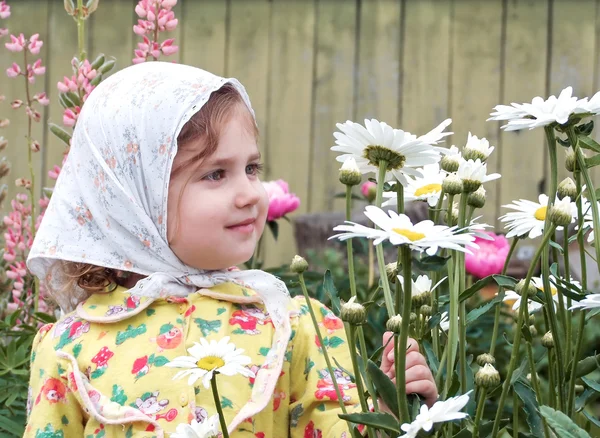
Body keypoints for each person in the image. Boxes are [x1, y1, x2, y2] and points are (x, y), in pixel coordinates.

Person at [24, 62, 437, 437]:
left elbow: (331, 428)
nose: (249, 194)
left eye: (251, 168)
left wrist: (385, 409)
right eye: (215, 174)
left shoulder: (293, 325)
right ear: (132, 198)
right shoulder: (71, 346)